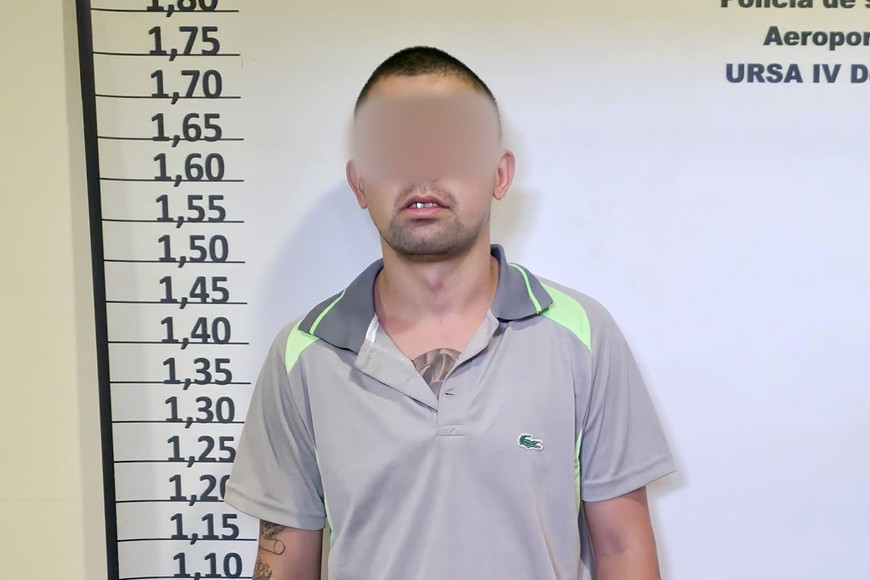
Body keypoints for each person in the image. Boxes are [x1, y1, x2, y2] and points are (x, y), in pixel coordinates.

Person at [225, 45, 676, 580]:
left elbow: (623, 547)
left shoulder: (583, 335)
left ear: (500, 175)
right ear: (359, 181)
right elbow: (284, 561)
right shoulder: (302, 355)